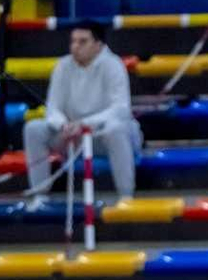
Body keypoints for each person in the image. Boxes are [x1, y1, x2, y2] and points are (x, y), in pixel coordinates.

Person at [23, 20, 141, 205]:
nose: (75, 47)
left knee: (116, 129)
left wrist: (85, 124)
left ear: (98, 44)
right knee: (34, 129)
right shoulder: (62, 66)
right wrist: (63, 125)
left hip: (102, 136)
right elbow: (53, 108)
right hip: (72, 136)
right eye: (73, 41)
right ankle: (40, 197)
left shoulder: (114, 65)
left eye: (82, 41)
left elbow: (120, 110)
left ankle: (126, 197)